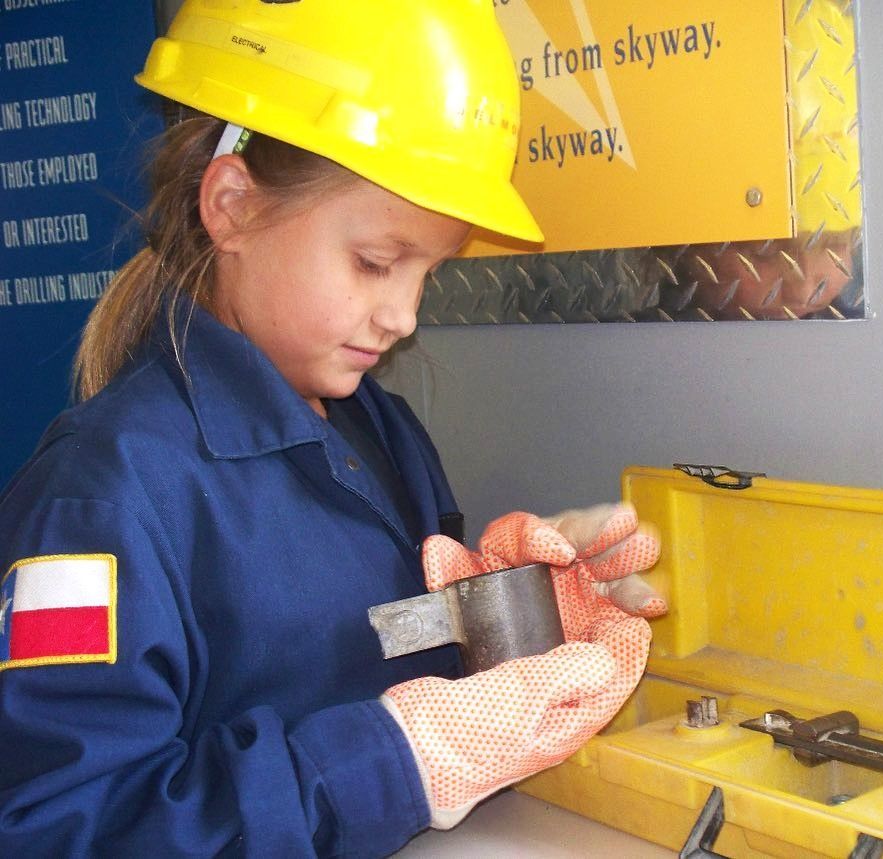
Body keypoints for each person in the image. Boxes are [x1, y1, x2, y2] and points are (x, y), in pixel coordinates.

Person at [0, 1, 665, 856]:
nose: (404, 315)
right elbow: (58, 829)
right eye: (375, 263)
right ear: (233, 206)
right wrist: (397, 760)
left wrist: (504, 614)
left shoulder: (374, 429)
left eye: (428, 271)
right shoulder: (98, 499)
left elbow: (365, 650)